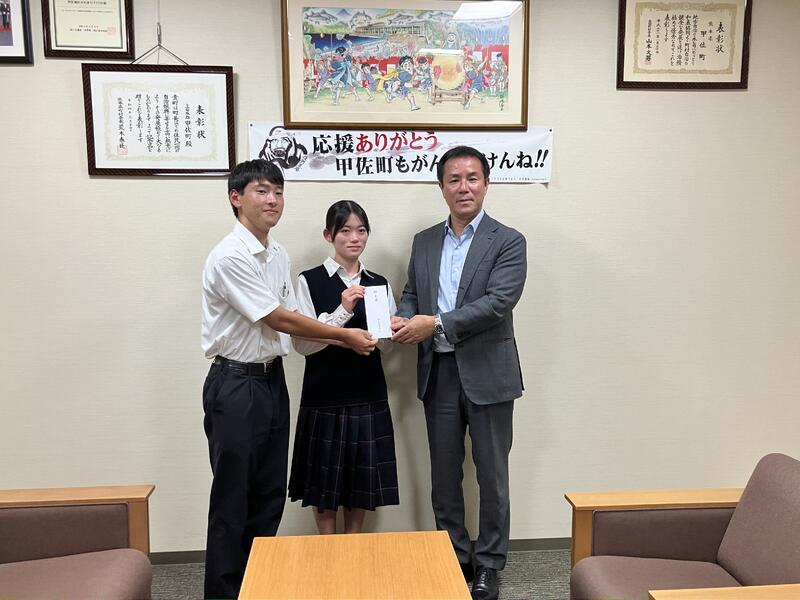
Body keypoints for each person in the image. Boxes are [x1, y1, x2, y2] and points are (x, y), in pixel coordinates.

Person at [201, 160, 377, 600]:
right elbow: (278, 318)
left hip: (271, 381)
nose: (273, 200)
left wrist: (340, 323)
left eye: (278, 191)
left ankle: (255, 586)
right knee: (233, 499)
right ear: (236, 198)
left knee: (269, 495)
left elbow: (294, 321)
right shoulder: (230, 256)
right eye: (262, 191)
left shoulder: (277, 253)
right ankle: (223, 594)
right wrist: (344, 334)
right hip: (235, 383)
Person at [391, 146, 527, 600]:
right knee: (444, 475)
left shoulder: (508, 241)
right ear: (442, 187)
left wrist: (435, 324)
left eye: (472, 178)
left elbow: (498, 303)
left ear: (486, 184)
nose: (463, 187)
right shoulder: (425, 241)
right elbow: (413, 292)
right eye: (454, 179)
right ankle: (453, 555)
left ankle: (489, 563)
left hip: (489, 373)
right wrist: (402, 317)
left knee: (492, 476)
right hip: (439, 372)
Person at [289, 200, 399, 534]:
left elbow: (385, 344)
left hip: (368, 392)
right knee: (323, 487)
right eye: (346, 231)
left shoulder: (378, 282)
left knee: (361, 484)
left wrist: (392, 330)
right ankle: (328, 550)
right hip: (324, 395)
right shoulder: (309, 280)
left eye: (361, 230)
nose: (355, 238)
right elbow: (302, 344)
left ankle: (353, 550)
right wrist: (342, 312)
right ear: (329, 235)